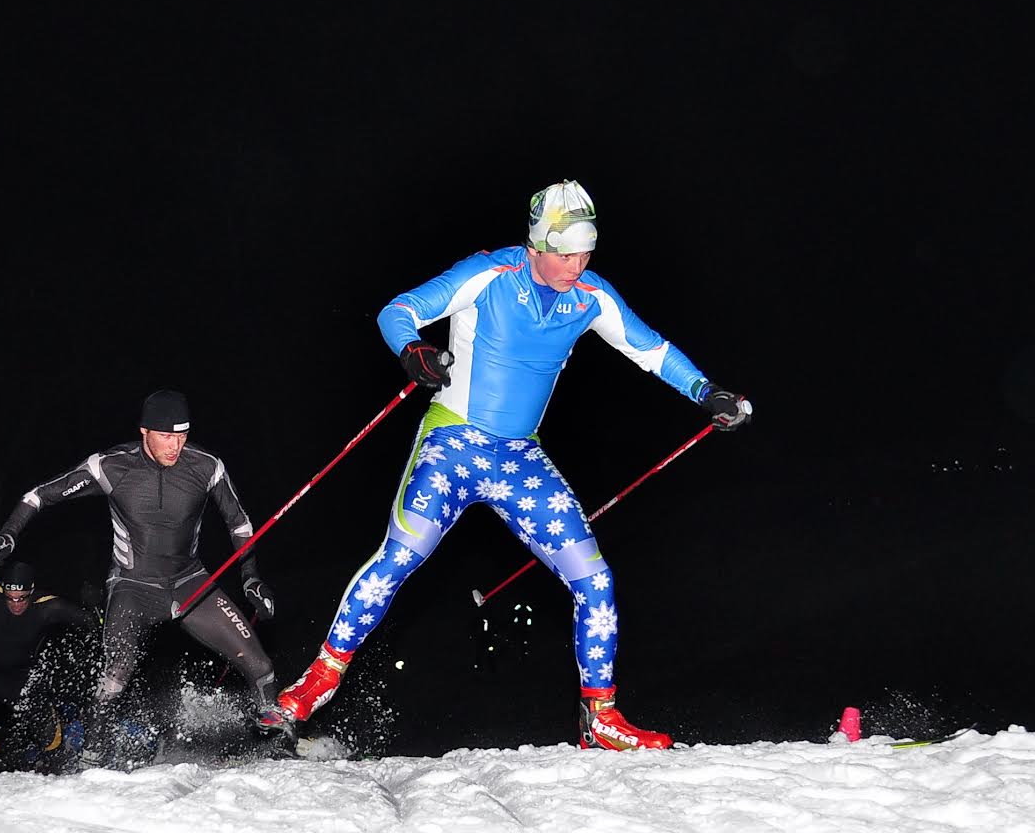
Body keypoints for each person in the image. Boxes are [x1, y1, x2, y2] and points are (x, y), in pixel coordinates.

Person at [273, 179, 752, 750]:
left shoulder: (591, 297)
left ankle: (600, 715)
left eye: (586, 251)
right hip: (453, 443)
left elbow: (651, 351)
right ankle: (318, 681)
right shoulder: (489, 275)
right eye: (567, 252)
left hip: (520, 458)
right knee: (401, 556)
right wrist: (414, 350)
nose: (579, 263)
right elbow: (399, 310)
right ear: (537, 246)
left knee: (594, 580)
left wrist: (707, 391)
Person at [0, 389, 287, 758]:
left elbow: (239, 523)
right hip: (132, 585)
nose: (176, 446)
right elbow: (39, 495)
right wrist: (8, 534)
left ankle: (279, 749)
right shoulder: (111, 467)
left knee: (261, 666)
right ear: (145, 431)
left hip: (190, 583)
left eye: (182, 436)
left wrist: (250, 576)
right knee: (115, 677)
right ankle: (91, 757)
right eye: (167, 436)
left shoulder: (206, 466)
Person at [0, 560, 99, 771]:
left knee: (50, 737)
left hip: (22, 684)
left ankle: (59, 775)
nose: (15, 604)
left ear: (31, 592)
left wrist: (94, 606)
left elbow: (93, 623)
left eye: (21, 598)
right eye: (10, 598)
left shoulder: (47, 606)